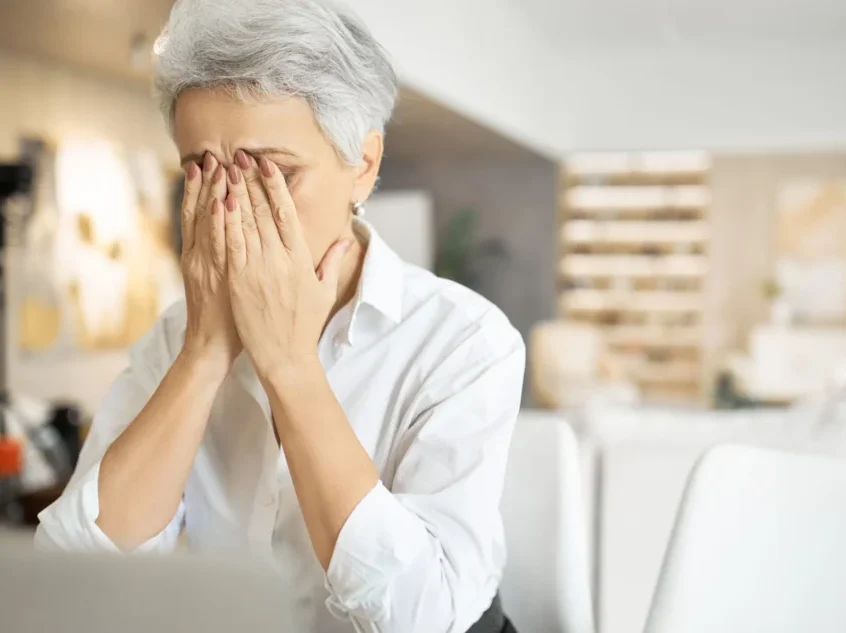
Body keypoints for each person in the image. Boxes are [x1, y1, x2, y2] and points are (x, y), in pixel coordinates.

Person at [34, 1, 525, 632]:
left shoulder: (463, 341)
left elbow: (420, 618)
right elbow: (71, 594)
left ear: (364, 166)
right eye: (203, 173)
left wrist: (290, 364)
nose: (232, 210)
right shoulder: (172, 338)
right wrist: (204, 353)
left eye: (276, 176)